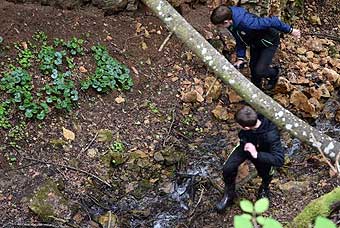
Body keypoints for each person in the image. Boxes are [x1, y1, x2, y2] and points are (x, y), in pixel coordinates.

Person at [210, 5, 301, 90]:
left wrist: (290, 30)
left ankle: (275, 73)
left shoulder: (248, 23)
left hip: (269, 42)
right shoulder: (231, 21)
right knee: (253, 69)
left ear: (226, 22)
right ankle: (256, 91)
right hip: (255, 43)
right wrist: (240, 57)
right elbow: (239, 38)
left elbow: (273, 21)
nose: (219, 28)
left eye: (219, 26)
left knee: (260, 71)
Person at [216, 105, 284, 213]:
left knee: (266, 174)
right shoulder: (254, 115)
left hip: (262, 154)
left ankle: (264, 188)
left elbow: (279, 159)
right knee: (228, 168)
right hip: (245, 146)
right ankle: (229, 194)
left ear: (246, 127)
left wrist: (257, 154)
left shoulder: (271, 135)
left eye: (239, 125)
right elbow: (242, 135)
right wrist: (245, 142)